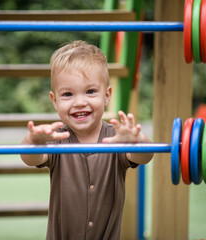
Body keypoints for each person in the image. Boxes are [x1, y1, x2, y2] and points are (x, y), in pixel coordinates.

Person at [21, 40, 153, 240]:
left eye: (90, 91)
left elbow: (144, 156)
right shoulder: (58, 140)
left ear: (107, 95)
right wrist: (33, 142)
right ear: (54, 101)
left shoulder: (116, 139)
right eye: (68, 94)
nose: (80, 102)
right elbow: (30, 158)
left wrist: (136, 141)